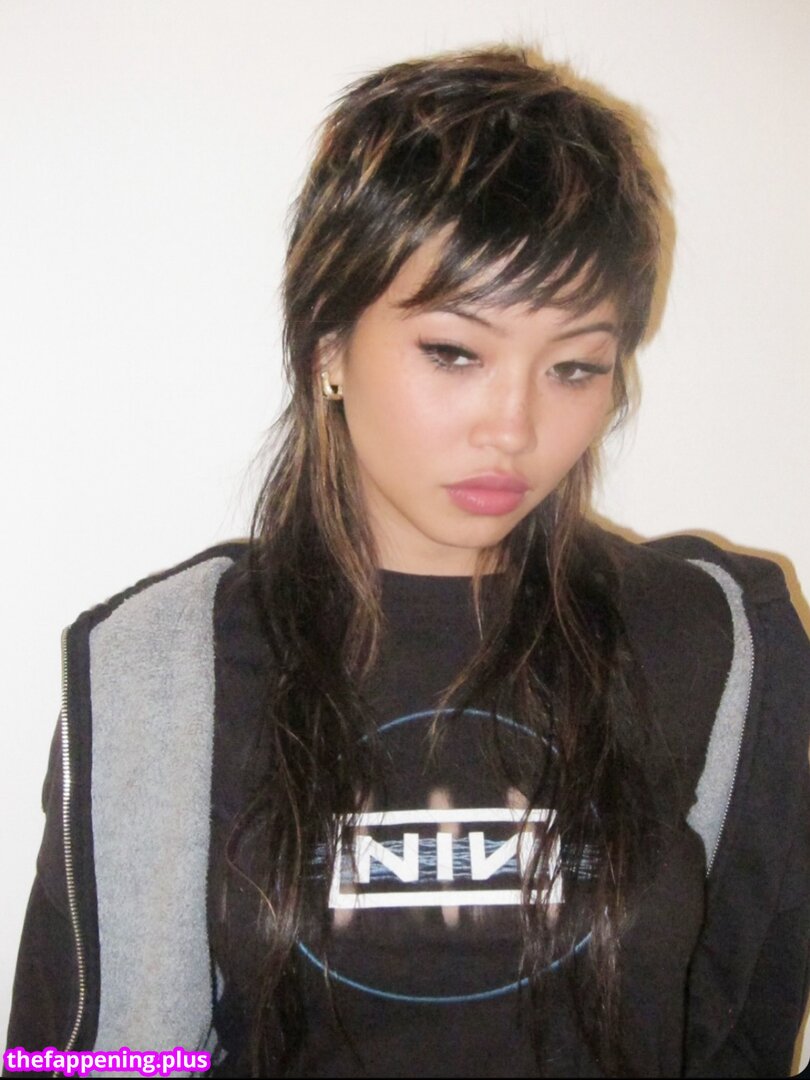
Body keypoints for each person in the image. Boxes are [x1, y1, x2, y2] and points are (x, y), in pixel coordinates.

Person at [5, 47, 809, 1080]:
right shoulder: (165, 663)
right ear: (327, 347)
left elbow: (741, 1029)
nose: (513, 427)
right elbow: (87, 1058)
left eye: (574, 367)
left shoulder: (715, 640)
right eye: (454, 352)